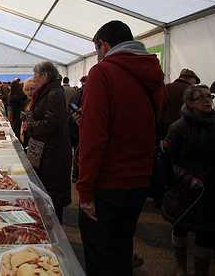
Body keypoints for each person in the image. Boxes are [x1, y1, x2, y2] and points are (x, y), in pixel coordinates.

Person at [77, 20, 166, 276]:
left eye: (97, 50)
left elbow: (94, 139)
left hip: (108, 182)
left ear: (103, 45)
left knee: (100, 254)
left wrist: (84, 189)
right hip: (139, 180)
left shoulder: (102, 72)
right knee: (122, 247)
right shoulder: (152, 72)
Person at [166, 85, 215, 276]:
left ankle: (200, 272)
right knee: (181, 227)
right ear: (189, 103)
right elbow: (170, 161)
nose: (206, 100)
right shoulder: (178, 128)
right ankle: (180, 266)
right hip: (184, 190)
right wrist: (185, 178)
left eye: (208, 96)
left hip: (210, 191)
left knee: (207, 233)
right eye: (199, 97)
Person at [25, 62, 71, 224]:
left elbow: (52, 123)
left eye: (36, 77)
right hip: (46, 149)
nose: (34, 80)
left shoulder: (54, 93)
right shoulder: (48, 91)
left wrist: (31, 126)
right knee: (47, 191)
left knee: (52, 193)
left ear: (44, 76)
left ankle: (54, 231)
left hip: (52, 152)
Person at [160, 68, 200, 139]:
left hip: (163, 126)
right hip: (183, 127)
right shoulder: (191, 90)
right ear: (188, 78)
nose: (194, 84)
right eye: (194, 81)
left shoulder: (166, 87)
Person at [68, 76, 87, 183]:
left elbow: (71, 105)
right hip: (78, 127)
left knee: (77, 152)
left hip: (76, 127)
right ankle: (77, 175)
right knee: (78, 152)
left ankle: (76, 175)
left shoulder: (79, 92)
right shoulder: (79, 92)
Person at [20, 78, 36, 147]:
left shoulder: (39, 103)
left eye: (32, 89)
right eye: (27, 90)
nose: (29, 92)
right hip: (27, 133)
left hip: (35, 136)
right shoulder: (27, 101)